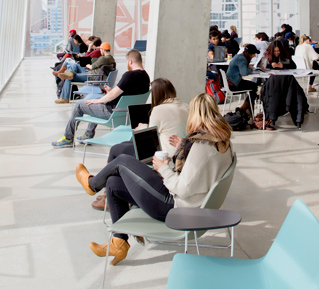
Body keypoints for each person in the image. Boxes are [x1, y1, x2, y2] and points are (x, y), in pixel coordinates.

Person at [76, 94, 233, 265]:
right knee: (113, 183)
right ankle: (119, 242)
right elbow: (202, 170)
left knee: (122, 160)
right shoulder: (221, 142)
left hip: (175, 207)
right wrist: (184, 149)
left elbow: (183, 188)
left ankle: (92, 184)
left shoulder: (201, 147)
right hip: (189, 204)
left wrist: (163, 168)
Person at [90, 78, 189, 211]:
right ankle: (108, 193)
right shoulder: (186, 106)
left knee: (116, 150)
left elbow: (149, 135)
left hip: (164, 158)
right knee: (124, 146)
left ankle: (108, 195)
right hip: (180, 156)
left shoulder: (159, 110)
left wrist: (141, 127)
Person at [51, 49, 150, 147]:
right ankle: (88, 135)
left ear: (130, 61)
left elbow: (114, 95)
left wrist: (99, 100)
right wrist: (110, 92)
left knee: (79, 105)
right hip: (128, 115)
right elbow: (128, 94)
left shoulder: (129, 75)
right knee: (96, 101)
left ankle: (68, 138)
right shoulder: (146, 77)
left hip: (113, 113)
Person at [225, 44, 259, 113]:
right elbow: (244, 73)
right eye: (253, 54)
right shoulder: (242, 59)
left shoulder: (239, 56)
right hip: (233, 84)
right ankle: (243, 109)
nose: (254, 56)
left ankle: (248, 110)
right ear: (250, 54)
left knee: (253, 87)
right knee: (254, 87)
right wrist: (250, 68)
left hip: (231, 81)